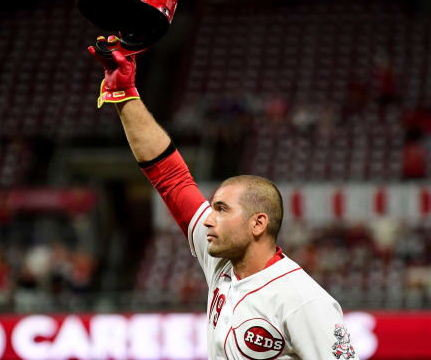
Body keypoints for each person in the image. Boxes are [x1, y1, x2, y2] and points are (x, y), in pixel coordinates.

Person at [88, 41, 357, 359]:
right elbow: (169, 177)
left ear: (258, 223)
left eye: (222, 209)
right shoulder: (222, 261)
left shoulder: (303, 300)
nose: (209, 218)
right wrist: (125, 95)